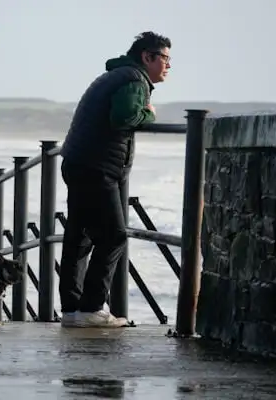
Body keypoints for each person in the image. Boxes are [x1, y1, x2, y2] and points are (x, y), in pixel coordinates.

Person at [58, 31, 172, 328]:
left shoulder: (114, 75)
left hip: (78, 162)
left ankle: (72, 309)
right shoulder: (134, 80)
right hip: (97, 168)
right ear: (148, 57)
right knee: (113, 236)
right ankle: (92, 308)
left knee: (79, 237)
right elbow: (123, 118)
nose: (169, 66)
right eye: (166, 59)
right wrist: (149, 114)